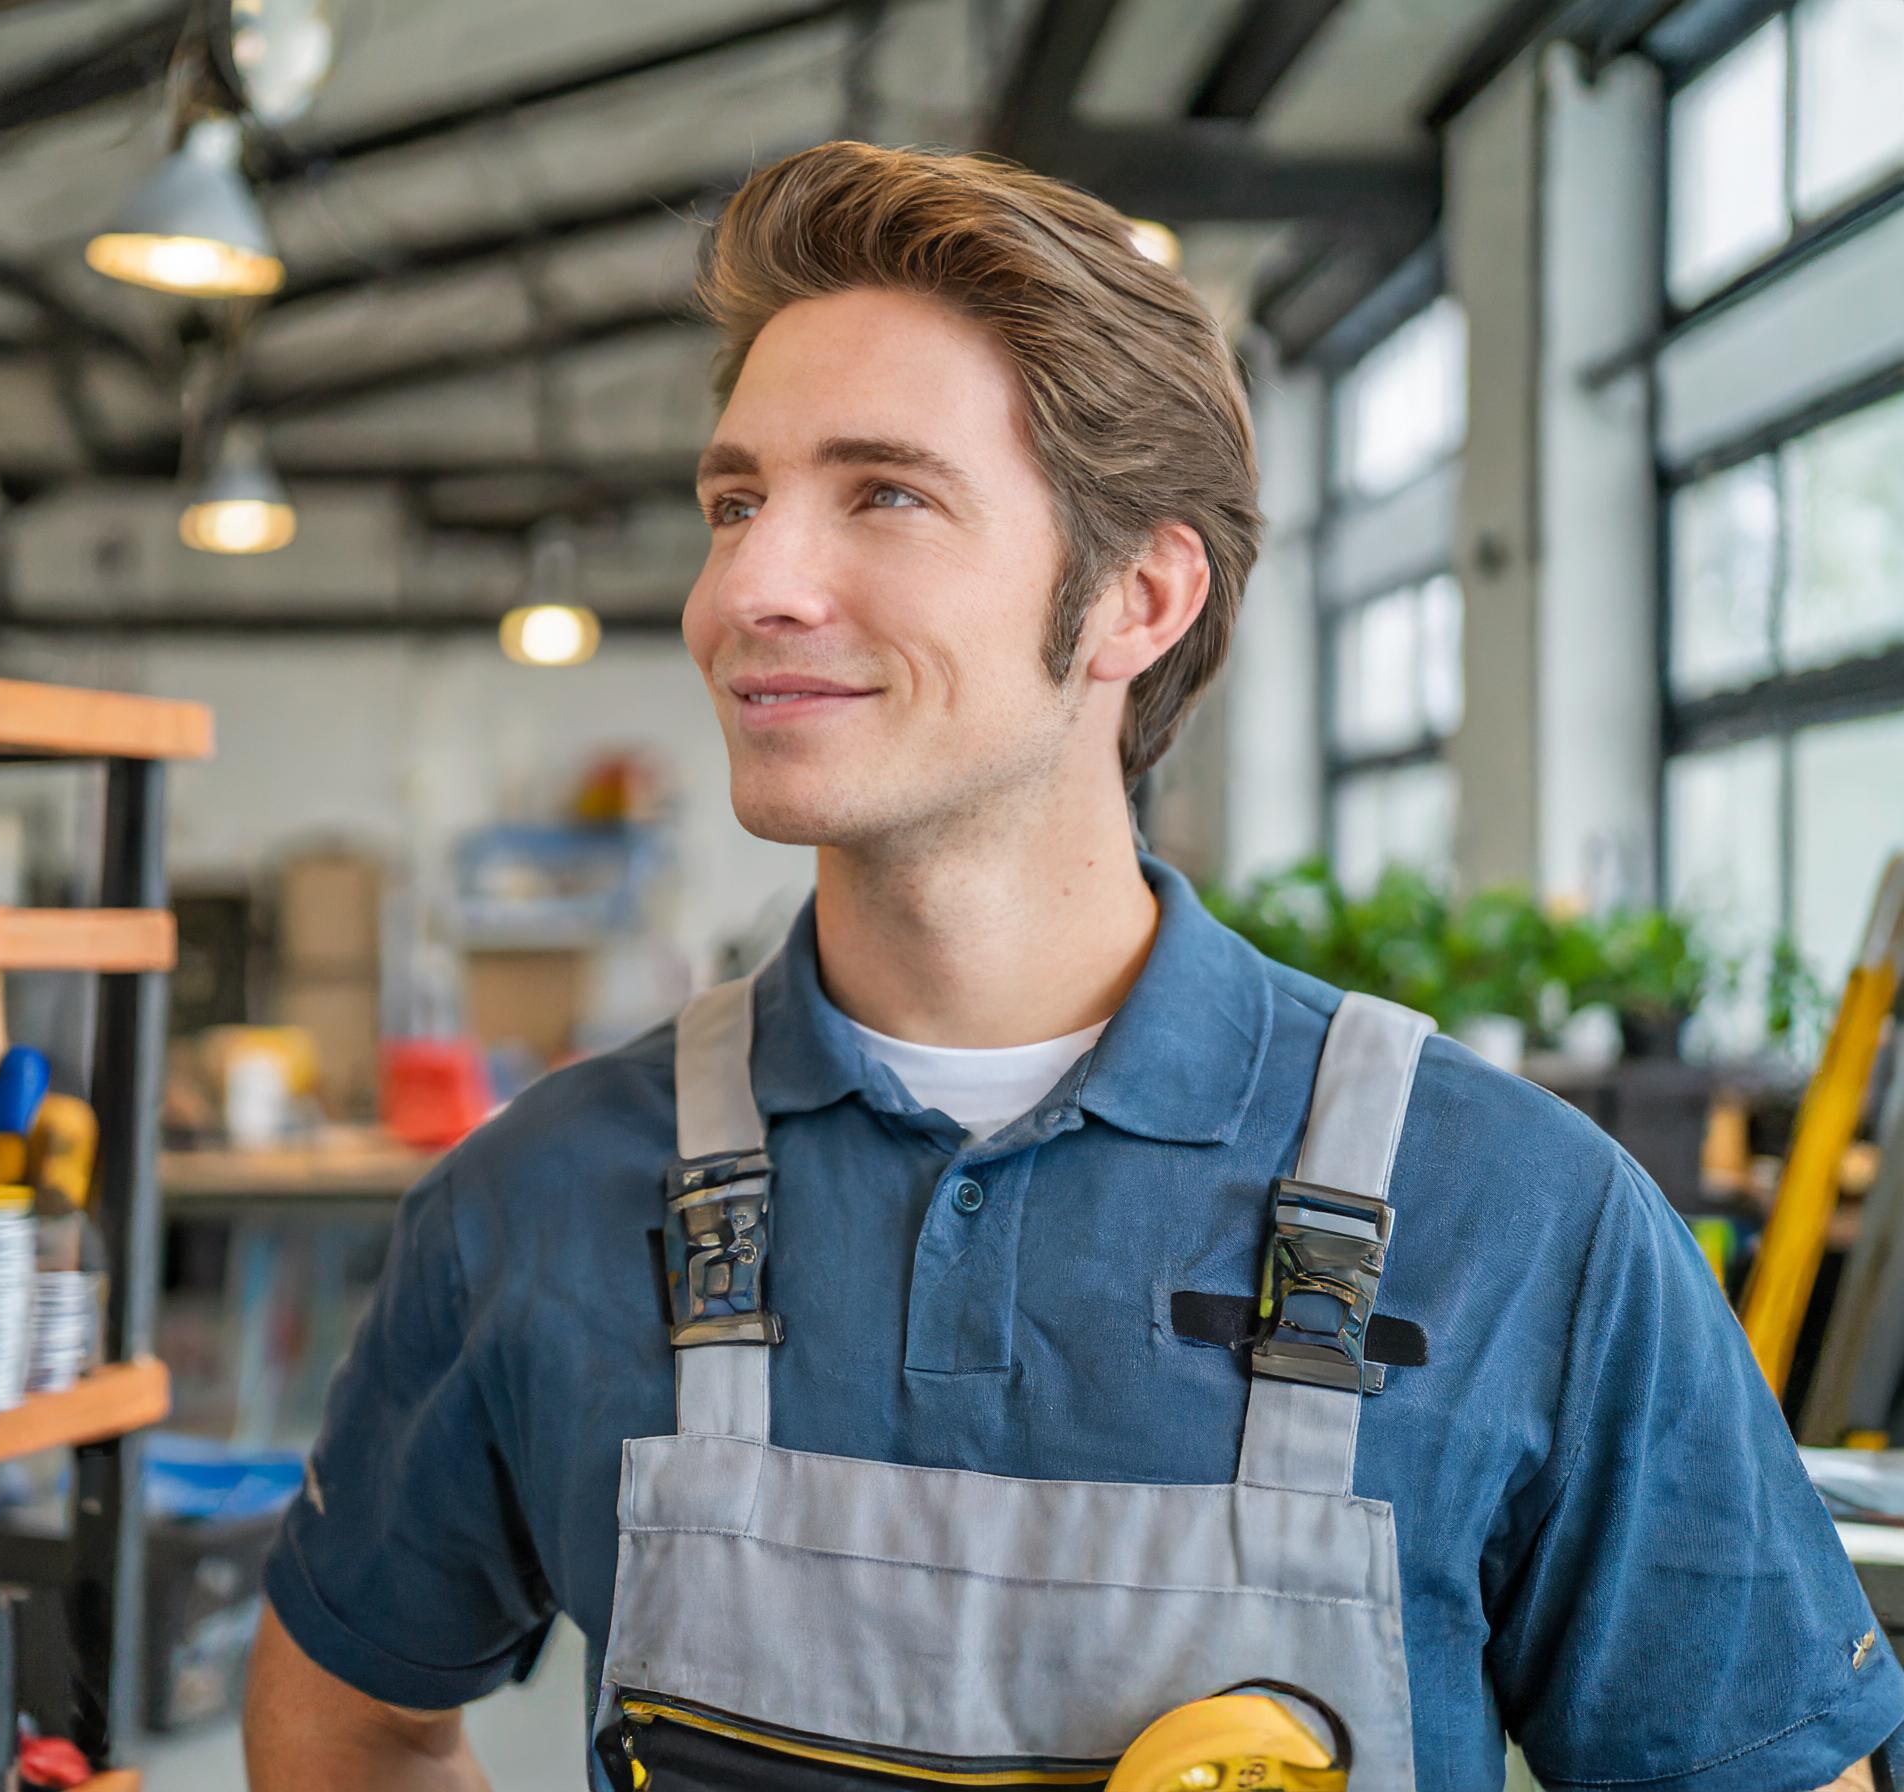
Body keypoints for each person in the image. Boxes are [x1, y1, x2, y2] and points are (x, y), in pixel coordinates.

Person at [242, 141, 1897, 1791]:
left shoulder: (1519, 1223)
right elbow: (352, 1729)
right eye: (735, 501)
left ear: (1138, 598)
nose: (746, 586)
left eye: (883, 492)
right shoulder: (539, 1203)